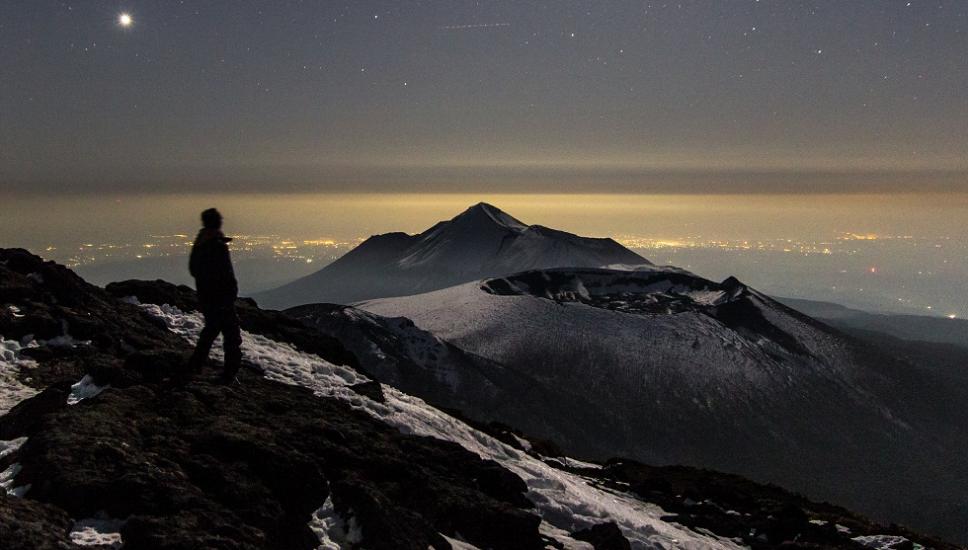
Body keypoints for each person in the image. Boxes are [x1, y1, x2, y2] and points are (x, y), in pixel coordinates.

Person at [188, 208, 242, 384]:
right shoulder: (215, 245)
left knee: (211, 331)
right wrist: (228, 294)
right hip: (220, 299)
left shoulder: (202, 242)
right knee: (232, 336)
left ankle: (195, 365)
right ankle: (229, 374)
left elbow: (194, 270)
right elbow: (224, 274)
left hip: (209, 298)